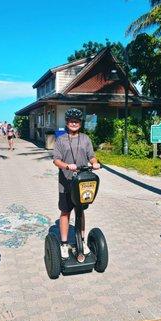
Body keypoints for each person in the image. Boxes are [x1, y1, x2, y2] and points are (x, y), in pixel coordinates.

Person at [53, 108, 100, 259]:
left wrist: (95, 163)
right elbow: (56, 160)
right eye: (71, 121)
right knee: (65, 211)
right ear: (67, 123)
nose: (74, 123)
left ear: (80, 123)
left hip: (82, 182)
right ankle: (64, 244)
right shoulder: (61, 139)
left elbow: (91, 156)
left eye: (77, 121)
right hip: (66, 182)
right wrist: (67, 166)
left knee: (80, 212)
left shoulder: (85, 139)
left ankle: (82, 241)